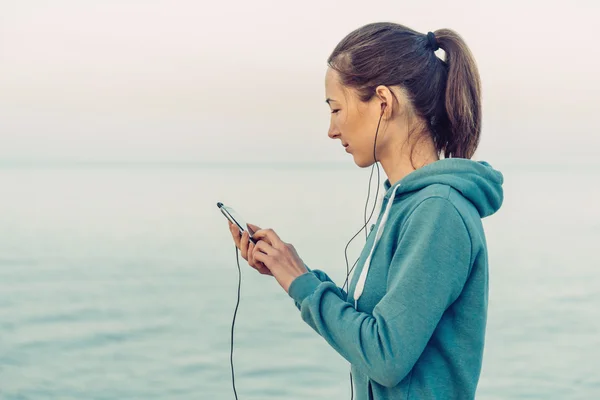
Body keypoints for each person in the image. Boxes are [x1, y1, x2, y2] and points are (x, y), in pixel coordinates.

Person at [227, 22, 503, 400]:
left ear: (384, 102)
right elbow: (373, 327)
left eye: (336, 109)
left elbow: (385, 355)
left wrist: (301, 284)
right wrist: (290, 269)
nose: (331, 129)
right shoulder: (405, 205)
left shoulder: (438, 211)